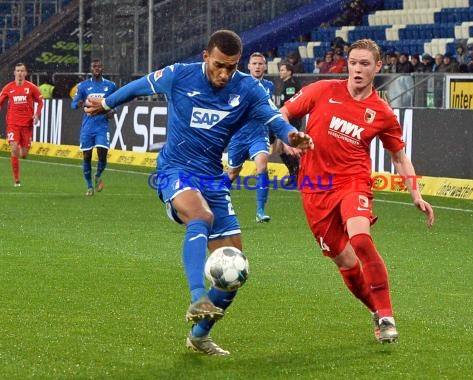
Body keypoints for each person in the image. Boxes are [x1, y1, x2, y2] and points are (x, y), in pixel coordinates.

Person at [84, 29, 312, 356]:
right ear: (206, 57)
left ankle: (199, 335)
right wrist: (106, 102)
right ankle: (196, 297)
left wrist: (292, 135)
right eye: (219, 65)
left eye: (231, 67)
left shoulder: (246, 88)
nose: (224, 74)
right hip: (174, 170)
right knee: (200, 215)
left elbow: (275, 119)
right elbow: (139, 86)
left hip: (212, 179)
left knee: (234, 269)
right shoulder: (180, 75)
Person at [280, 38, 434, 344]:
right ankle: (376, 311)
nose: (357, 70)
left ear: (378, 67)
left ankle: (388, 315)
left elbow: (399, 156)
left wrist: (415, 193)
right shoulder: (323, 90)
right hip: (315, 188)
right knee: (347, 263)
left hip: (353, 182)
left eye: (365, 64)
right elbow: (283, 113)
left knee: (361, 238)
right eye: (353, 63)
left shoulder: (381, 112)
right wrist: (288, 139)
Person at [225, 52, 275, 222]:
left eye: (261, 64)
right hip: (239, 136)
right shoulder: (239, 84)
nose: (258, 66)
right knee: (232, 174)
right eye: (254, 63)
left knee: (262, 165)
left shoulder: (269, 86)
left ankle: (260, 211)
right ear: (248, 66)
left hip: (258, 135)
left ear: (265, 66)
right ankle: (212, 200)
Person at [71, 59, 117, 196]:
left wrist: (113, 112)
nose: (97, 68)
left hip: (102, 126)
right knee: (87, 156)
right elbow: (73, 105)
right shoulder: (83, 86)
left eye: (99, 66)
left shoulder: (110, 86)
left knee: (102, 153)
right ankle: (89, 186)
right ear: (91, 69)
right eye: (94, 66)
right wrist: (78, 103)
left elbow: (116, 102)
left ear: (102, 68)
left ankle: (98, 175)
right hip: (88, 127)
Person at [0, 63, 44, 187]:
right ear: (14, 73)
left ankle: (22, 147)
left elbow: (40, 101)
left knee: (23, 154)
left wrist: (36, 114)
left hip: (27, 125)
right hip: (13, 124)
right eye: (17, 71)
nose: (20, 73)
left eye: (22, 71)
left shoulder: (31, 87)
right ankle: (17, 180)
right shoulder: (8, 88)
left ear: (25, 73)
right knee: (13, 148)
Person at [276, 62, 302, 185]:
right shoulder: (286, 84)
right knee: (280, 148)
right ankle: (293, 172)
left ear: (289, 72)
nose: (280, 72)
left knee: (289, 148)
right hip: (284, 121)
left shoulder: (292, 85)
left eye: (282, 70)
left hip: (291, 122)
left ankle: (297, 173)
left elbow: (291, 106)